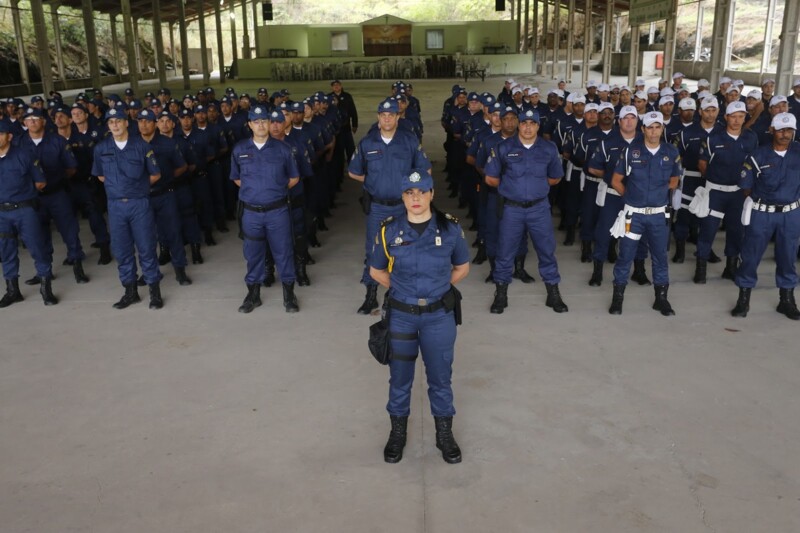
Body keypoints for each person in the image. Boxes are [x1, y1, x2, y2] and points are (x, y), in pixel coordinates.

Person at [369, 169, 469, 464]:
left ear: (431, 194)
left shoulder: (450, 230)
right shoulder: (389, 230)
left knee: (441, 378)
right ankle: (397, 434)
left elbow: (462, 267)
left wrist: (437, 288)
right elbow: (376, 270)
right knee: (400, 379)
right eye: (410, 193)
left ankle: (444, 435)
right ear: (402, 197)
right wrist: (404, 289)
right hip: (402, 316)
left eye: (422, 192)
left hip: (439, 317)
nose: (416, 198)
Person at [348, 98, 431, 315]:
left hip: (404, 208)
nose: (387, 118)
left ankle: (395, 295)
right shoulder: (367, 143)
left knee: (405, 249)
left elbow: (425, 171)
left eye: (391, 115)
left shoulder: (409, 140)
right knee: (374, 250)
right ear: (378, 117)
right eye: (383, 115)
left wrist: (415, 194)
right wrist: (373, 181)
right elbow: (353, 171)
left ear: (397, 117)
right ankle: (370, 293)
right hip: (378, 207)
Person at [484, 109, 568, 314]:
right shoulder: (503, 147)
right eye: (524, 123)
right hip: (512, 209)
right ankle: (501, 293)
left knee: (546, 251)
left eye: (532, 123)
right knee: (505, 252)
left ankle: (553, 293)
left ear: (538, 126)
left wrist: (535, 187)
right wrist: (514, 188)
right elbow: (491, 178)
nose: (528, 127)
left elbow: (555, 177)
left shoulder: (548, 148)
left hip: (539, 209)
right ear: (518, 125)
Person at [608, 112, 682, 316]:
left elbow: (675, 180)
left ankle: (661, 299)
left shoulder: (671, 151)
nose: (654, 131)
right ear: (643, 129)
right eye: (650, 127)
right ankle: (618, 298)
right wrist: (631, 197)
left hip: (658, 216)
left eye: (657, 127)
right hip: (635, 216)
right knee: (625, 256)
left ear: (662, 129)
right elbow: (616, 180)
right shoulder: (632, 151)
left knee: (660, 257)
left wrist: (657, 194)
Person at [91, 107, 164, 310]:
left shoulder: (141, 146)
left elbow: (155, 174)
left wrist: (136, 188)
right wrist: (119, 188)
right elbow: (100, 175)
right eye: (111, 121)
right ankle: (130, 292)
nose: (114, 124)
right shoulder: (101, 148)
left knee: (147, 248)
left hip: (139, 204)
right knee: (122, 251)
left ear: (126, 123)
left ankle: (154, 292)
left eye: (118, 120)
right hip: (115, 206)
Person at [230, 106, 300, 314]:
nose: (261, 125)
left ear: (270, 124)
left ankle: (289, 294)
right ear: (250, 125)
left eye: (264, 121)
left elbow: (294, 177)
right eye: (256, 121)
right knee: (253, 254)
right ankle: (253, 294)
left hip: (277, 211)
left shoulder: (283, 149)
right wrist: (255, 191)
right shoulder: (240, 150)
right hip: (251, 212)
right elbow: (236, 178)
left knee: (284, 252)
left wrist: (274, 190)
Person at [731, 113, 800, 320]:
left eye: (789, 130)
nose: (785, 134)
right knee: (751, 256)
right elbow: (746, 188)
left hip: (790, 214)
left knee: (788, 257)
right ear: (772, 130)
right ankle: (743, 299)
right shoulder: (757, 155)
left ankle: (786, 300)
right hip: (762, 214)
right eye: (781, 130)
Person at [694, 101, 759, 284]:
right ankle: (701, 269)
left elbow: (754, 165)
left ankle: (730, 268)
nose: (737, 120)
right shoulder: (713, 138)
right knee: (708, 229)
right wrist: (715, 180)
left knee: (736, 231)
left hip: (738, 193)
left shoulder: (751, 138)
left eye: (741, 116)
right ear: (726, 117)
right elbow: (702, 164)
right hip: (715, 192)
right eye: (733, 116)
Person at [0, 120, 58, 307]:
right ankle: (12, 291)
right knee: (6, 251)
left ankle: (45, 289)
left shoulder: (24, 155)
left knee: (37, 249)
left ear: (9, 136)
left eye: (1, 134)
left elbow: (40, 182)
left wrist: (20, 194)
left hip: (25, 210)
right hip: (2, 213)